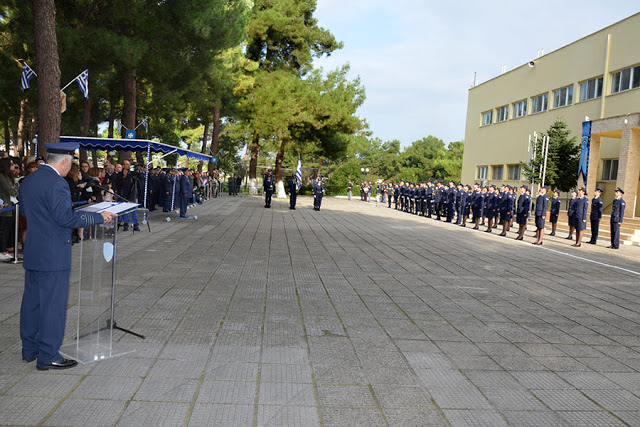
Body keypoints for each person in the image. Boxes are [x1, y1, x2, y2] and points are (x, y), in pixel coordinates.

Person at [19, 142, 116, 370]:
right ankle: (49, 356)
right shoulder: (58, 184)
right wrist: (99, 217)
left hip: (34, 250)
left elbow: (24, 211)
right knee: (53, 306)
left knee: (32, 303)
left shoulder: (29, 180)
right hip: (53, 254)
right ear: (64, 162)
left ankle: (29, 350)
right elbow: (65, 218)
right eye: (70, 163)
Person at [0, 158, 17, 261]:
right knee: (3, 230)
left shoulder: (9, 177)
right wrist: (15, 192)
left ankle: (5, 248)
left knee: (8, 230)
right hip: (5, 207)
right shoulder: (2, 177)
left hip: (11, 206)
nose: (13, 166)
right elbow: (10, 190)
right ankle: (2, 250)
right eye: (11, 164)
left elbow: (14, 189)